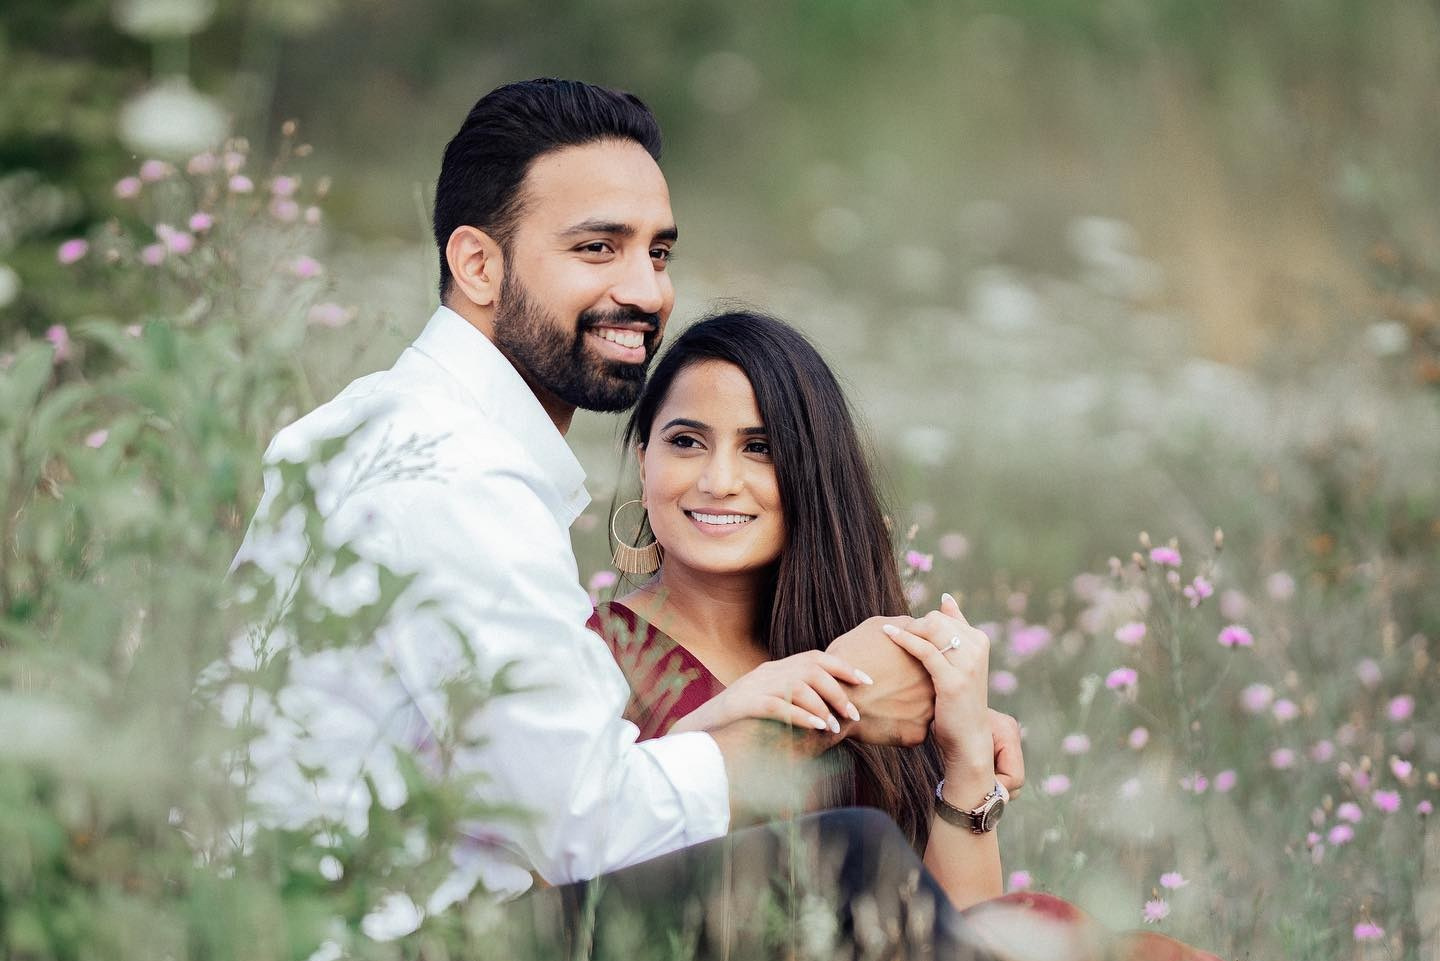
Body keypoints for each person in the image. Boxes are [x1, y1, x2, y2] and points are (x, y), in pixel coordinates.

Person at [227, 78, 1015, 956]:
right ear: (477, 264)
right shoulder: (450, 474)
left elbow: (545, 787)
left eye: (659, 252)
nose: (644, 291)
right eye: (597, 247)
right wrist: (826, 709)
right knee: (849, 864)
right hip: (397, 940)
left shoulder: (392, 424)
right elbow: (582, 825)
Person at [588, 310, 1224, 960]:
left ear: (811, 473)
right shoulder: (597, 657)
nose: (719, 479)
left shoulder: (869, 656)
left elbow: (967, 928)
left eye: (760, 447)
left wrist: (965, 756)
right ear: (644, 461)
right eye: (686, 441)